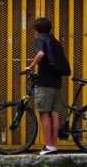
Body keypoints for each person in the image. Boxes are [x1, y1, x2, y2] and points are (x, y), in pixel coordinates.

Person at [25, 17, 62, 155]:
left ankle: (48, 145)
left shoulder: (41, 39)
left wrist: (30, 67)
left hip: (45, 82)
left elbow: (40, 54)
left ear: (37, 30)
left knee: (44, 114)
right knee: (55, 114)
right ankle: (53, 146)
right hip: (56, 81)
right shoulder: (55, 41)